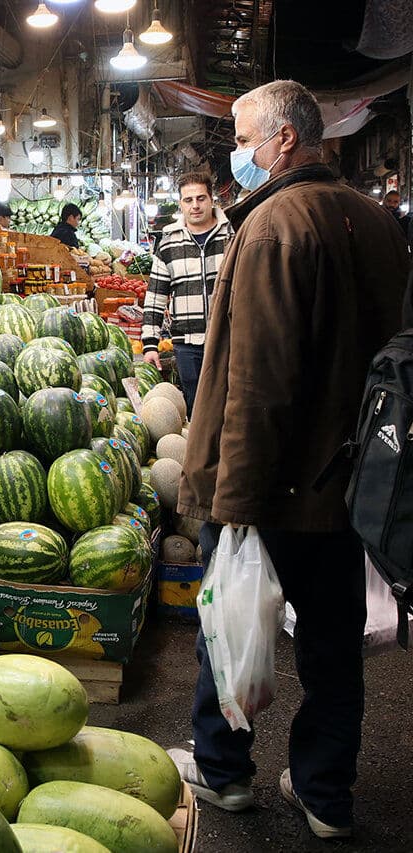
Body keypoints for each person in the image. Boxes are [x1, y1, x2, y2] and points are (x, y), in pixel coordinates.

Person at [169, 80, 409, 840]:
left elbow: (259, 383)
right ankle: (325, 793)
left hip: (273, 484)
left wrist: (232, 506)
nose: (235, 153)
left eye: (242, 138)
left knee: (232, 628)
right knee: (333, 645)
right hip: (349, 482)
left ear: (283, 141)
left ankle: (224, 770)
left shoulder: (273, 225)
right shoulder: (375, 221)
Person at [141, 171, 233, 413]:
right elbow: (155, 296)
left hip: (228, 338)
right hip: (187, 345)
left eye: (201, 198)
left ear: (212, 199)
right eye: (188, 200)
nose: (195, 206)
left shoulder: (232, 234)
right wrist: (150, 344)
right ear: (181, 203)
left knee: (230, 410)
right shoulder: (169, 242)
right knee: (196, 411)